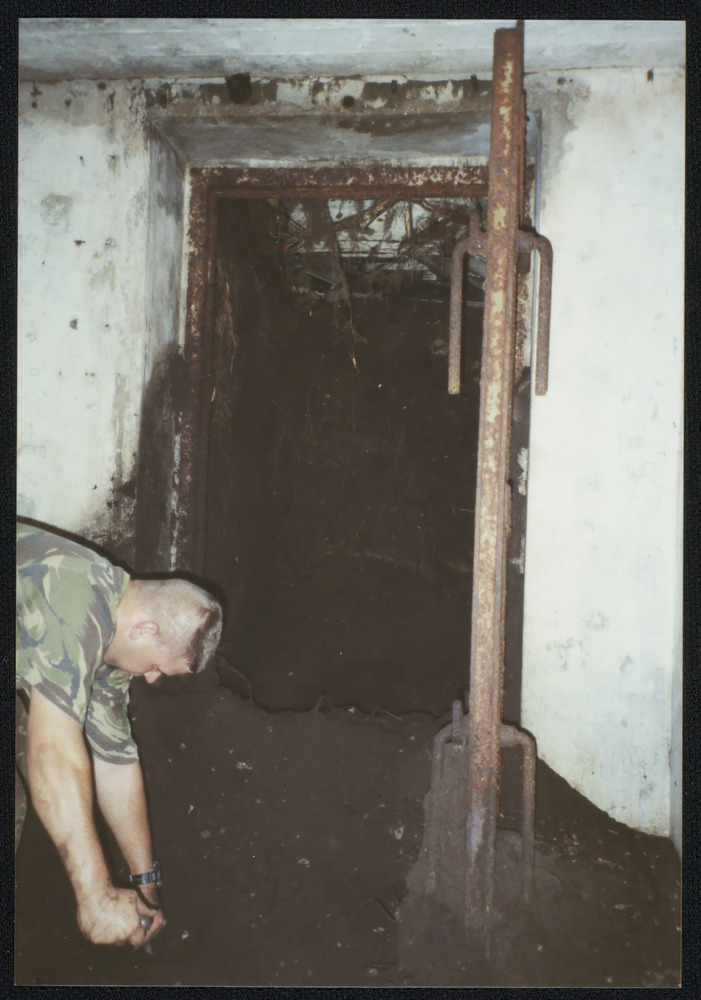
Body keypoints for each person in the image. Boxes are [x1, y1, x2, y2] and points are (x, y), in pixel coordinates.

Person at [15, 519, 223, 948]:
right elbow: (51, 751)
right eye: (157, 666)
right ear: (145, 630)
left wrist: (146, 886)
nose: (151, 678)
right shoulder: (75, 600)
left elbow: (115, 762)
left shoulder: (113, 633)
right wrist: (95, 897)